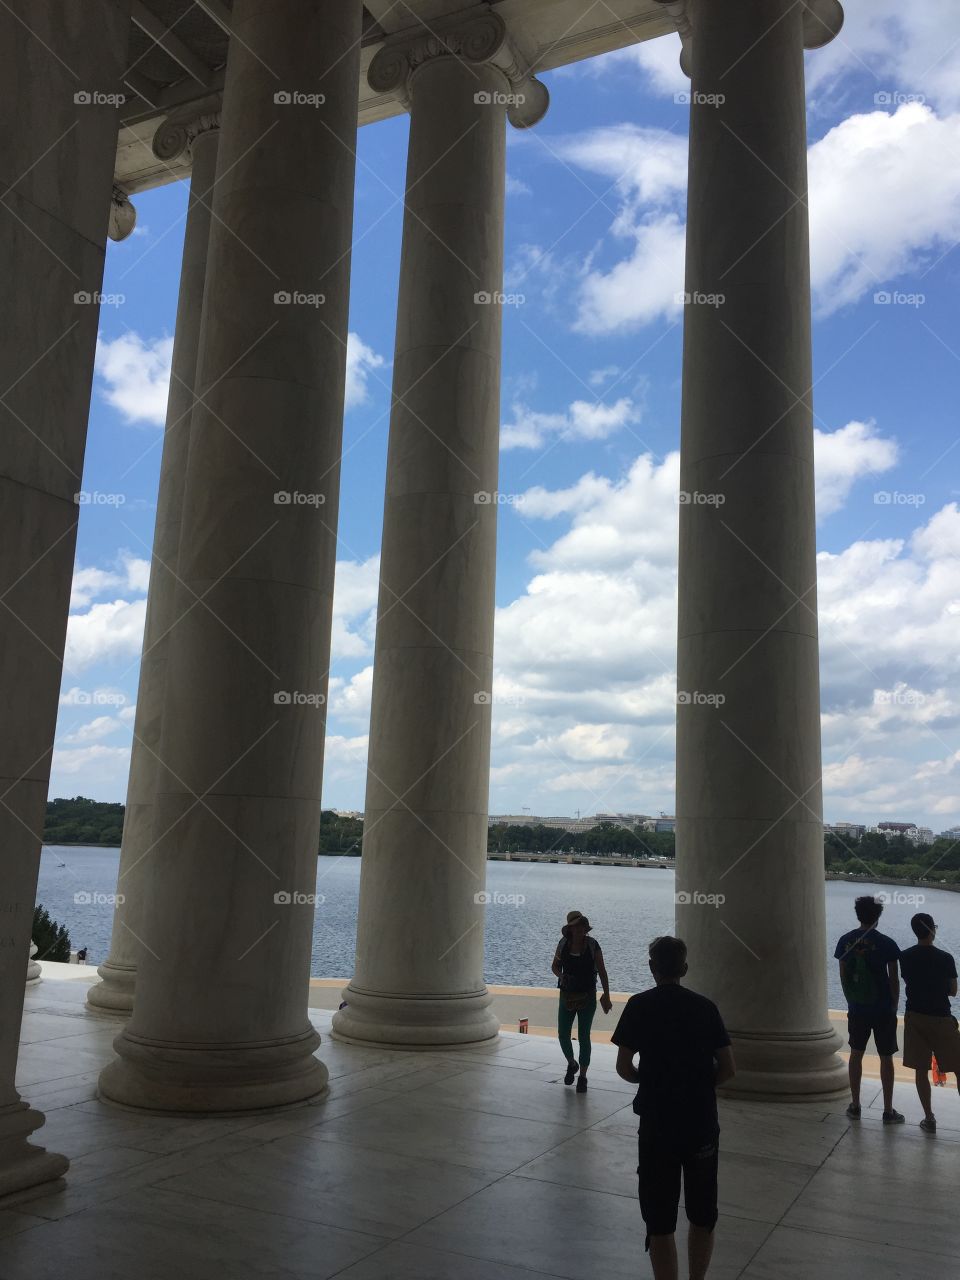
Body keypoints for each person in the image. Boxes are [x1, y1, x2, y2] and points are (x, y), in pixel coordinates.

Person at [613, 936, 735, 1280]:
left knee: (659, 1218)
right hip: (700, 1124)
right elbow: (728, 1068)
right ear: (684, 968)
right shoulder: (705, 1008)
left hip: (656, 1124)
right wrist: (698, 1085)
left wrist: (647, 1080)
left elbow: (624, 1067)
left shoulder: (638, 1005)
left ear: (652, 968)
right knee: (702, 1214)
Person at [834, 895, 903, 1123]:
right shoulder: (887, 943)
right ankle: (888, 1110)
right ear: (878, 917)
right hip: (883, 1008)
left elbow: (843, 975)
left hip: (858, 1008)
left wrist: (851, 1000)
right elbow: (894, 979)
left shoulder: (845, 941)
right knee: (886, 1058)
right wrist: (893, 1004)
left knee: (855, 1054)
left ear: (858, 915)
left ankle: (855, 1105)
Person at [899, 912, 960, 1133]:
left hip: (915, 1017)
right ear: (932, 930)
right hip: (941, 1018)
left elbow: (909, 981)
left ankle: (929, 1118)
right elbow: (953, 991)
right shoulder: (945, 958)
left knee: (920, 1069)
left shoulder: (904, 956)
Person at [551, 910, 612, 1092]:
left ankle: (583, 1077)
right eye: (575, 926)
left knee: (584, 1036)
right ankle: (571, 1063)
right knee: (563, 1033)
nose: (579, 929)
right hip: (567, 995)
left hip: (588, 996)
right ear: (570, 929)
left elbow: (602, 971)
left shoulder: (593, 945)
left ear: (585, 928)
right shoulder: (563, 944)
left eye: (582, 925)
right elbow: (554, 966)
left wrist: (607, 994)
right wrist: (561, 976)